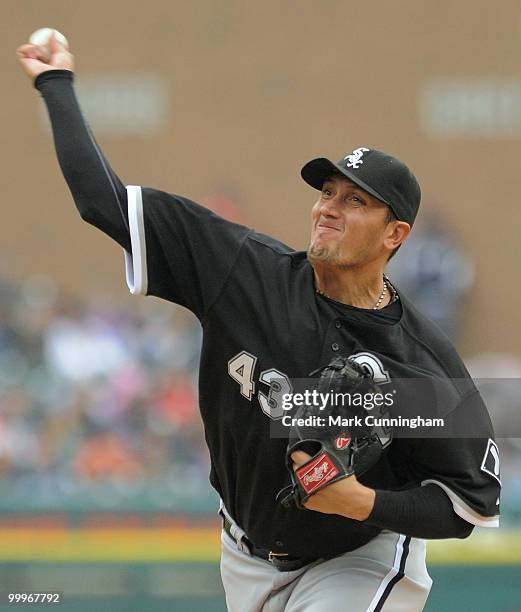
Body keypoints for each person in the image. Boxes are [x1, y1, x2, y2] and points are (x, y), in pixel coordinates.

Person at [18, 35, 501, 612]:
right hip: (242, 554)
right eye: (327, 192)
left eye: (355, 201)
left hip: (357, 559)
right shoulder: (243, 272)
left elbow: (465, 506)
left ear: (395, 235)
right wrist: (57, 85)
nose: (328, 207)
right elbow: (103, 202)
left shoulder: (421, 363)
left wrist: (362, 503)